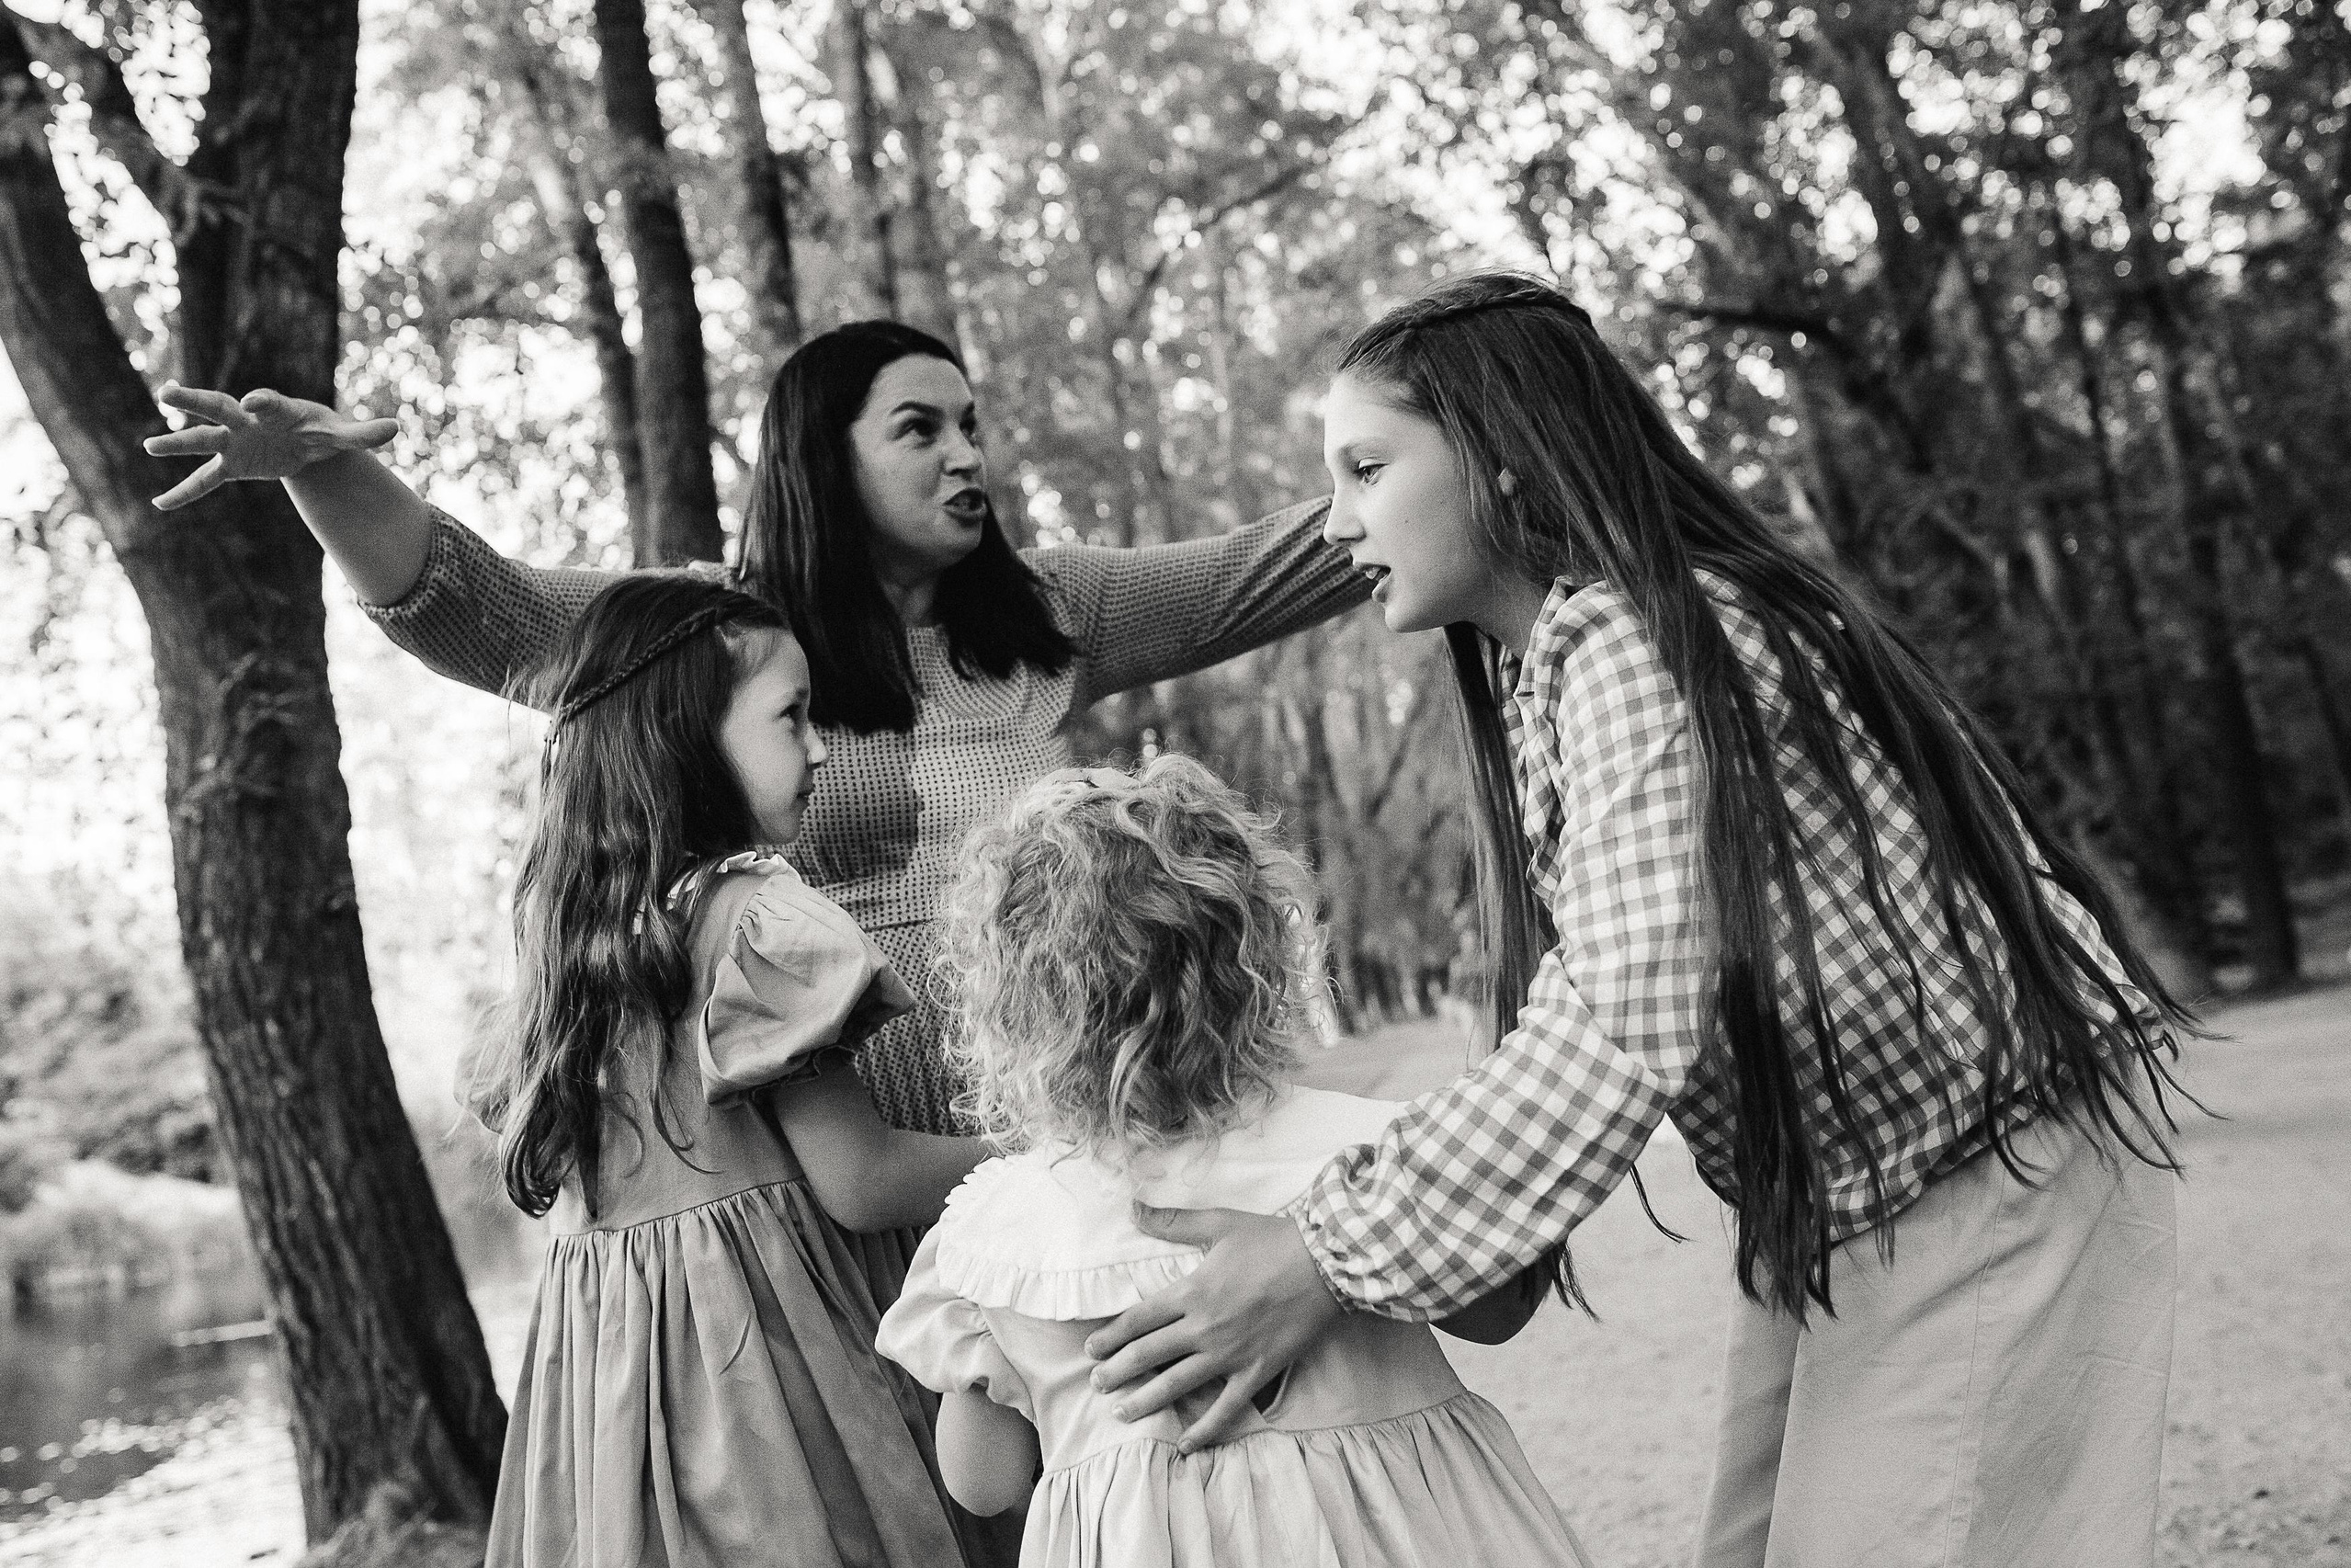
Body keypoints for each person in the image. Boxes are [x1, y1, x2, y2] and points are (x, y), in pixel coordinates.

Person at [1083, 274, 2192, 1568]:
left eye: (1367, 467)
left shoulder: (1639, 643)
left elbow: (1619, 1012)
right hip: (1858, 1196)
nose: (1335, 524)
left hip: (1987, 1168)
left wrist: (1323, 1253)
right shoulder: (1566, 664)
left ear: (1502, 454)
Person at [142, 320, 1367, 1155]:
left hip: (1060, 1117)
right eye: (920, 429)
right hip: (837, 1159)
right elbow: (486, 616)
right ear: (822, 463)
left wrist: (1450, 454)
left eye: (970, 424)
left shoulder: (1059, 608)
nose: (967, 453)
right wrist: (323, 476)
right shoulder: (719, 636)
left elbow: (1275, 565)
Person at [874, 755, 1593, 1568]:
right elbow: (1496, 1314)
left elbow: (984, 1480)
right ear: (1256, 964)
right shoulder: (1367, 1149)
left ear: (1012, 1013)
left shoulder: (1001, 1230)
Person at [459, 571, 989, 1567]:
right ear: (686, 735)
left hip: (609, 1410)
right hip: (776, 1390)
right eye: (792, 717)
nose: (822, 747)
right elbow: (863, 1180)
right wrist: (1037, 1151)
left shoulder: (575, 954)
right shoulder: (758, 923)